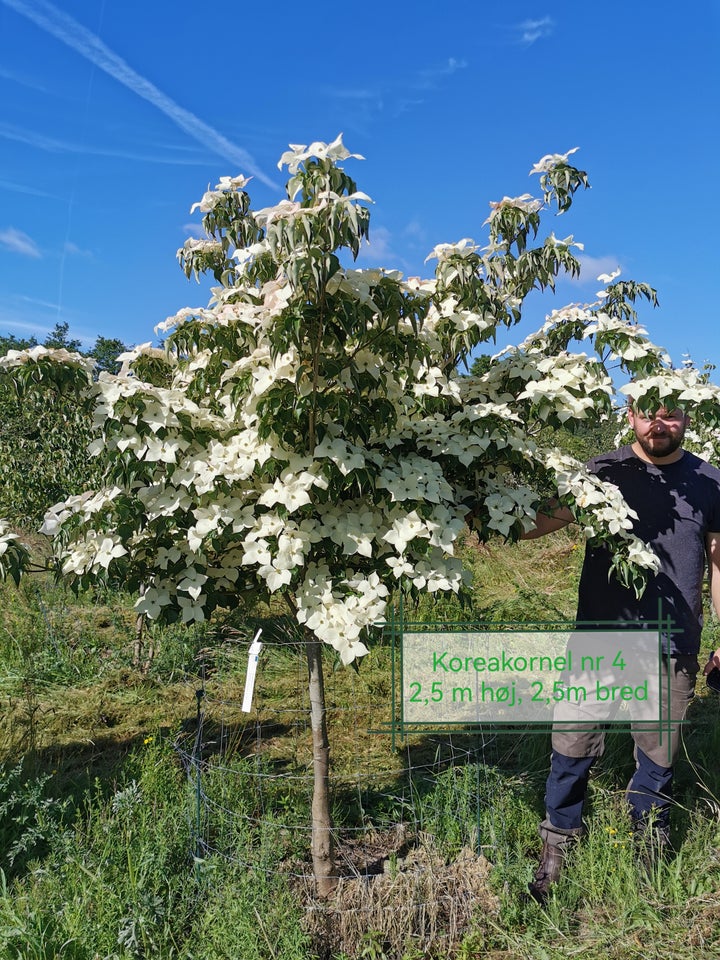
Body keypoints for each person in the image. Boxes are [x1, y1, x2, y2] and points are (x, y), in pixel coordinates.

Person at [523, 402, 720, 903]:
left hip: (672, 641)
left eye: (671, 415)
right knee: (571, 742)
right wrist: (476, 509)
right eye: (649, 414)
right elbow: (541, 521)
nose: (660, 424)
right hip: (600, 639)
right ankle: (558, 846)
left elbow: (719, 563)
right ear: (630, 416)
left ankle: (646, 844)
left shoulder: (709, 479)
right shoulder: (602, 472)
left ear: (687, 420)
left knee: (658, 754)